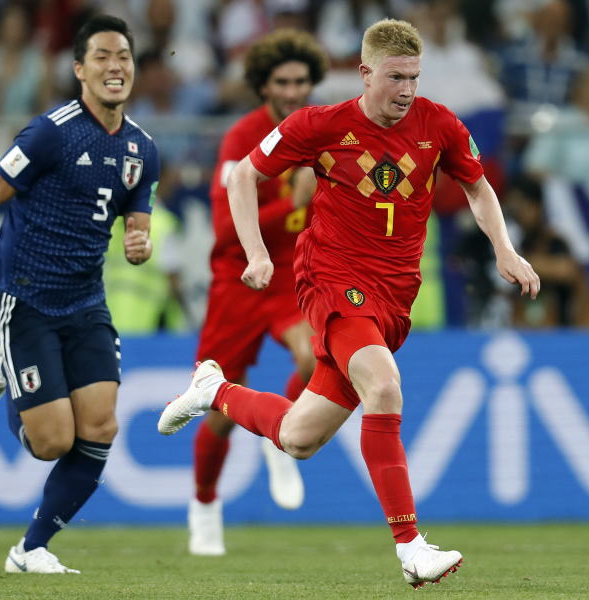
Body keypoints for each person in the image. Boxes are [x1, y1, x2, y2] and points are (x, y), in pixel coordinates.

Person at [159, 18, 540, 587]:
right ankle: (411, 547)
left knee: (297, 438)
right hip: (333, 281)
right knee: (383, 386)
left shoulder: (439, 125)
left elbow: (478, 186)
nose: (405, 90)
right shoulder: (320, 125)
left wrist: (504, 250)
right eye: (394, 78)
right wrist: (258, 255)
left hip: (394, 297)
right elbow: (242, 176)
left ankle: (214, 389)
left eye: (413, 76)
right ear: (365, 74)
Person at [0, 14, 159, 574]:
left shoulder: (143, 148)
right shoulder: (51, 131)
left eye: (124, 56)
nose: (116, 66)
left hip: (87, 303)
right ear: (80, 70)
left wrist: (140, 240)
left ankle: (29, 550)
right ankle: (6, 368)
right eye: (103, 56)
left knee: (102, 427)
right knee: (53, 443)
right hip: (29, 299)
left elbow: (137, 215)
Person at [188, 28, 327, 557]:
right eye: (281, 82)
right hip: (239, 278)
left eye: (301, 81)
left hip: (293, 275)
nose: (293, 91)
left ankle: (283, 432)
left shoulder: (319, 132)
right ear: (262, 85)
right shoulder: (239, 139)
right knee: (219, 411)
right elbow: (226, 229)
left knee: (320, 356)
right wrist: (292, 203)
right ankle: (203, 503)